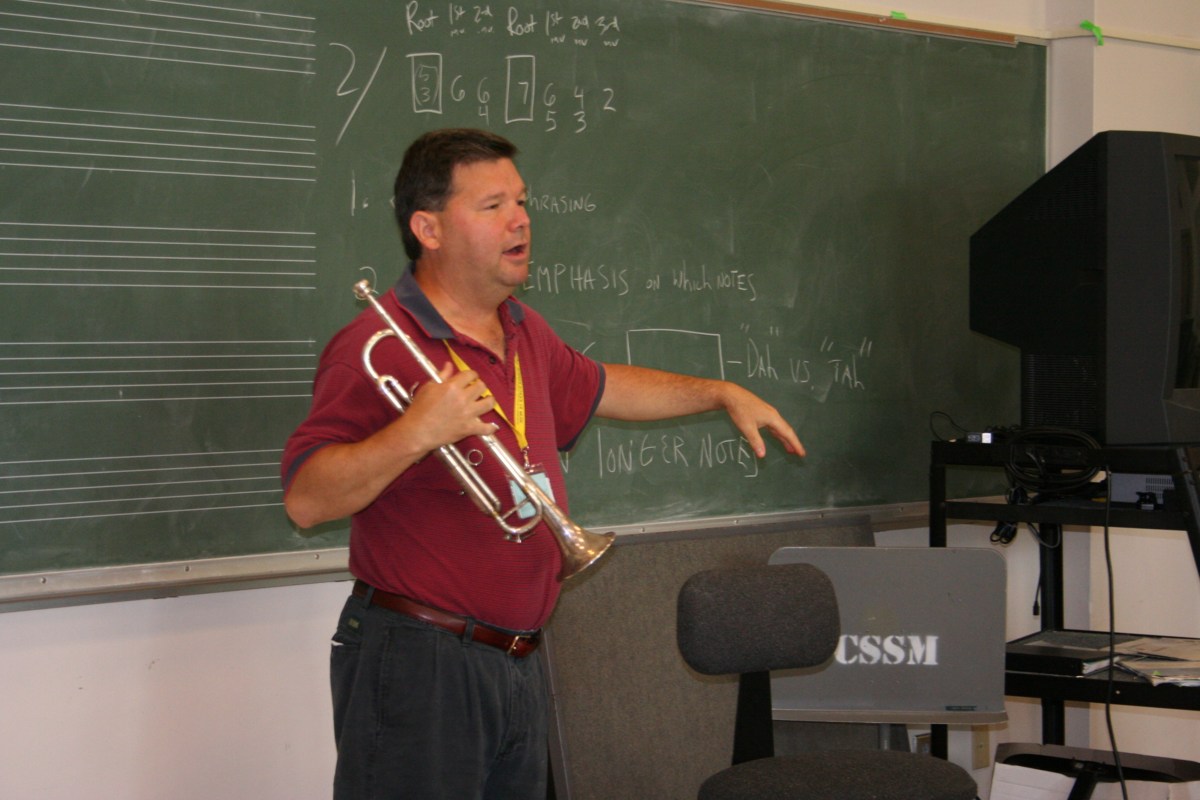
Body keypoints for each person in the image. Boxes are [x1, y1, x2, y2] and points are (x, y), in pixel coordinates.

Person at [281, 128, 804, 800]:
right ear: (428, 229)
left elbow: (605, 387)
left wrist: (719, 392)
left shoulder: (523, 329)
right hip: (420, 661)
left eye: (522, 202)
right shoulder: (375, 344)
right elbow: (307, 499)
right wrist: (415, 432)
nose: (520, 220)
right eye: (493, 205)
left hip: (516, 657)